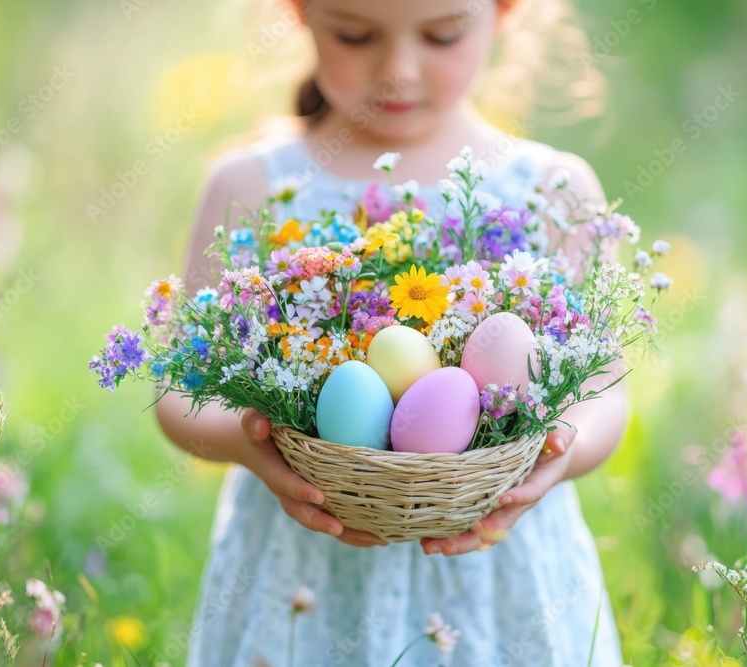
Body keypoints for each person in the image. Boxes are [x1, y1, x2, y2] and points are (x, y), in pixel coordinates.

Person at [154, 0, 629, 664]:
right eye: (355, 33)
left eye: (442, 34)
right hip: (305, 574)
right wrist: (246, 437)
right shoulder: (256, 188)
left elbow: (605, 390)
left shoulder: (551, 190)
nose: (398, 71)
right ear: (300, 13)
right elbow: (180, 391)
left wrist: (557, 453)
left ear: (504, 11)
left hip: (502, 573)